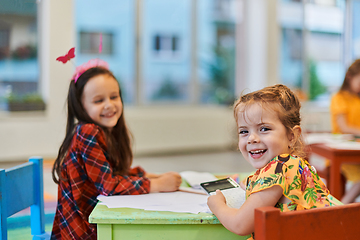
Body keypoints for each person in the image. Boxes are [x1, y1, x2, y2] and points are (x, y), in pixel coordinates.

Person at [51, 60, 182, 239]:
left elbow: (108, 173)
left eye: (114, 97)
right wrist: (157, 184)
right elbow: (109, 186)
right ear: (81, 107)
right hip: (83, 231)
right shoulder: (87, 131)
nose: (109, 105)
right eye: (98, 100)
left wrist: (145, 175)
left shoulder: (105, 132)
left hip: (95, 222)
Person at [207, 84, 336, 239]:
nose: (252, 139)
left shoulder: (279, 169)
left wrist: (217, 205)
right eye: (244, 131)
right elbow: (263, 184)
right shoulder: (293, 164)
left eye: (264, 129)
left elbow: (240, 225)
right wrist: (245, 182)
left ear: (292, 136)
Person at [330, 59, 360, 204]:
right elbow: (344, 127)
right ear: (350, 77)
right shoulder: (339, 98)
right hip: (342, 152)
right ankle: (342, 206)